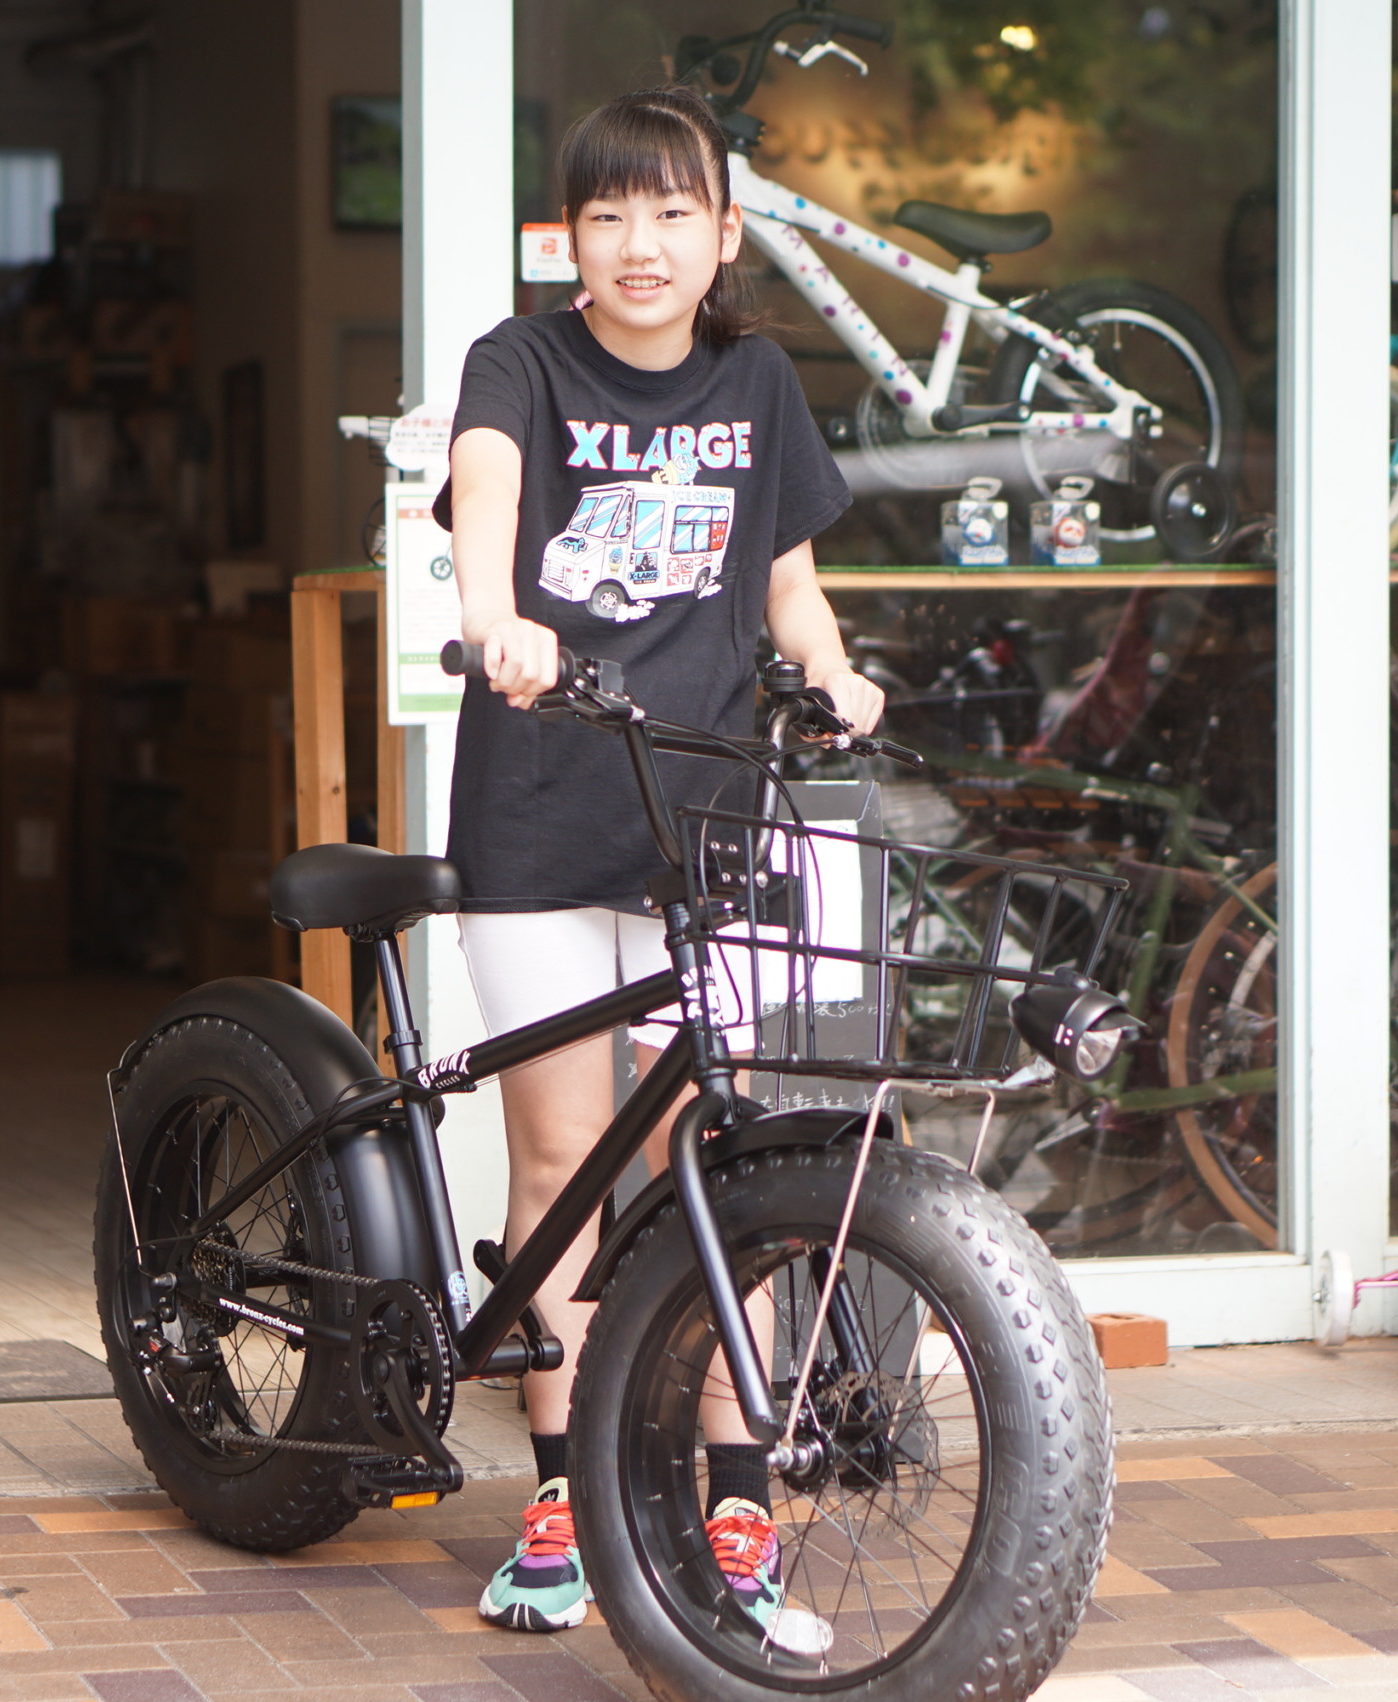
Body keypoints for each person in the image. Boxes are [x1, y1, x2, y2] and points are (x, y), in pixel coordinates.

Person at [432, 84, 883, 1636]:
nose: (640, 243)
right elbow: (483, 494)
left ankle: (738, 1508)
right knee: (561, 1166)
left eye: (671, 212)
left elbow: (785, 581)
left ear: (724, 233)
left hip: (704, 822)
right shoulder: (523, 360)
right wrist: (496, 616)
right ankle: (557, 1502)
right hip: (544, 803)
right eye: (608, 214)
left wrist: (835, 672)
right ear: (571, 235)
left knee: (720, 1178)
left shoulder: (758, 383)